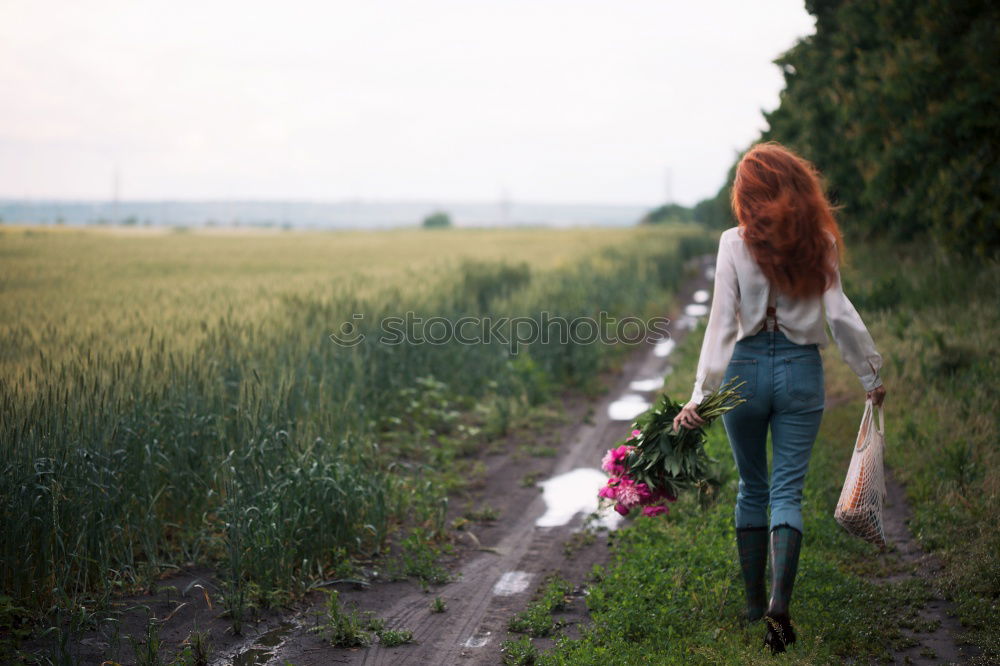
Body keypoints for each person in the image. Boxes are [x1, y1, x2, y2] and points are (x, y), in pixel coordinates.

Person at [672, 142, 886, 654]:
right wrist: (869, 373)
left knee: (753, 487)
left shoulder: (731, 243)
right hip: (800, 372)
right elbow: (839, 315)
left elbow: (722, 323)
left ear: (747, 194)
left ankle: (752, 606)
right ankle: (778, 605)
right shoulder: (821, 241)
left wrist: (700, 394)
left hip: (744, 374)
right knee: (787, 492)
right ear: (796, 187)